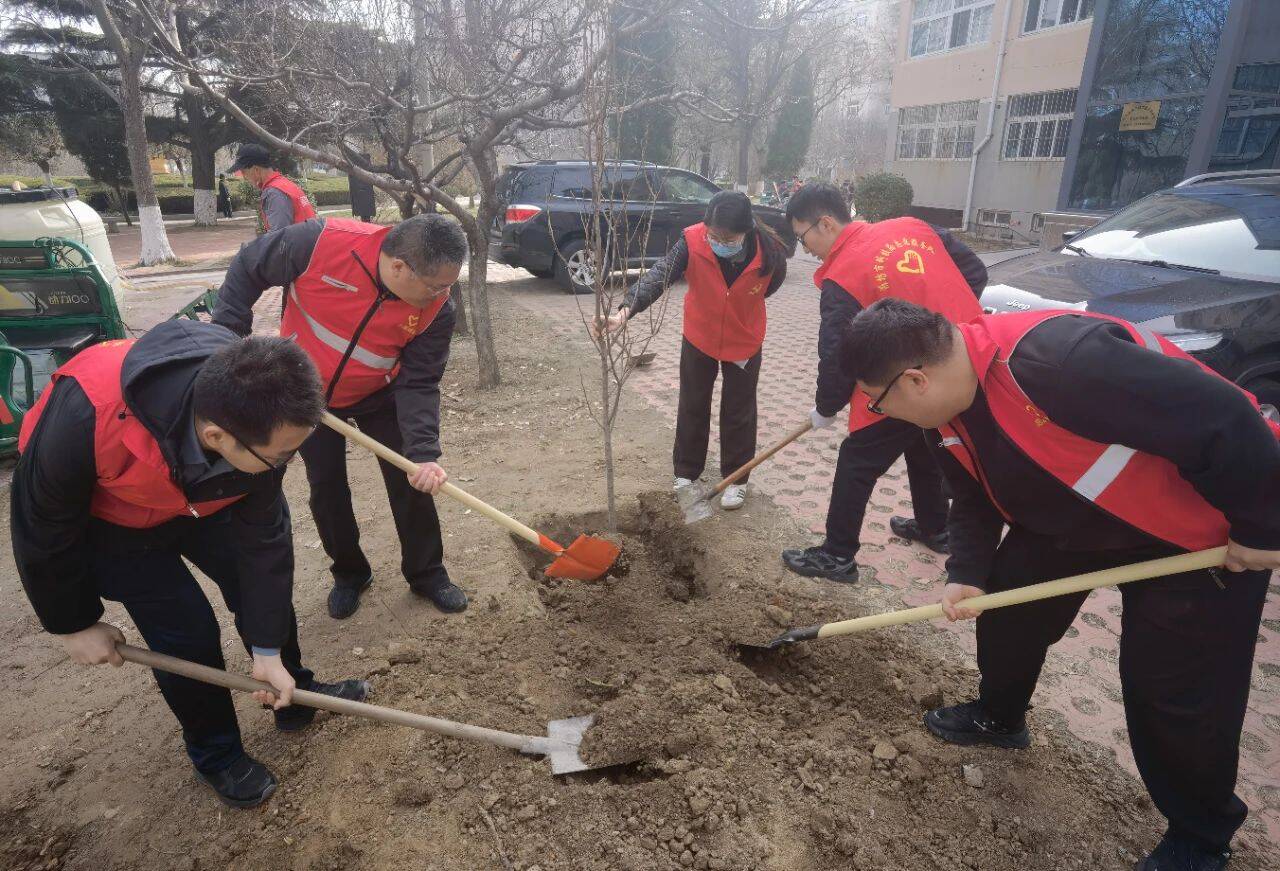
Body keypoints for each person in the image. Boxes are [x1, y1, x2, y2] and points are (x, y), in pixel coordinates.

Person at [838, 298, 1280, 871]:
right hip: (1066, 522)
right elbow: (970, 495)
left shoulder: (1061, 362)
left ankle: (1201, 836)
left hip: (1191, 535)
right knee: (1008, 616)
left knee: (1171, 691)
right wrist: (967, 574)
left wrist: (1262, 523)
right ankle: (1000, 717)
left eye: (879, 400)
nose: (881, 412)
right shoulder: (945, 414)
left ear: (915, 380)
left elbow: (1225, 417)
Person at [10, 321, 368, 808]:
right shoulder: (86, 412)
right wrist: (73, 622)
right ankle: (217, 754)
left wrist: (266, 649)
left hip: (214, 501)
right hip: (116, 521)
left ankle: (295, 695)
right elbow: (42, 523)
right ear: (218, 435)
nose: (290, 461)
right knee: (186, 632)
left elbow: (265, 548)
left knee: (261, 592)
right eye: (282, 454)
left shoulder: (261, 405)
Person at [213, 215, 468, 620]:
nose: (443, 294)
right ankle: (350, 574)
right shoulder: (320, 242)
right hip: (307, 397)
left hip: (381, 394)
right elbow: (249, 264)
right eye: (436, 285)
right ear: (400, 267)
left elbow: (419, 382)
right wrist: (224, 337)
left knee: (412, 482)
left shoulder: (438, 310)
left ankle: (427, 574)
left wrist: (423, 452)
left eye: (449, 285)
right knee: (326, 486)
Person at [779, 182, 988, 582]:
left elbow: (838, 357)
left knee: (857, 460)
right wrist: (940, 323)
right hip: (963, 359)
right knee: (925, 441)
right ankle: (935, 528)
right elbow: (974, 272)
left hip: (904, 380)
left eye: (802, 236)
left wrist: (826, 408)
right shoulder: (914, 227)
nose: (804, 248)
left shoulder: (843, 274)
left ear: (825, 223)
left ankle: (837, 555)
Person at [597, 191, 788, 509]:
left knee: (739, 411)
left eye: (726, 237)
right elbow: (659, 275)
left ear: (746, 230)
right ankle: (686, 472)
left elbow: (772, 285)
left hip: (744, 341)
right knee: (693, 403)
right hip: (700, 336)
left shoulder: (770, 253)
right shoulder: (692, 240)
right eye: (713, 234)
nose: (717, 241)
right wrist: (625, 311)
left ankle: (736, 478)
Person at [228, 143, 317, 232]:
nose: (243, 177)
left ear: (256, 170)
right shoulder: (283, 184)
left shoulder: (275, 193)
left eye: (244, 172)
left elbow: (279, 237)